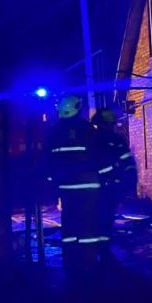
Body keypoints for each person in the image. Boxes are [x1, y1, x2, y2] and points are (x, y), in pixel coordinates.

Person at [45, 94, 106, 273]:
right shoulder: (88, 129)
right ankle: (89, 261)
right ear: (78, 108)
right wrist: (106, 179)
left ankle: (70, 261)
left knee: (69, 222)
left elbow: (48, 161)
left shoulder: (54, 132)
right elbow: (100, 156)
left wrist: (52, 185)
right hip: (89, 185)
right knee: (89, 222)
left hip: (66, 187)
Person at [91, 107, 137, 264]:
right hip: (103, 188)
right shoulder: (100, 141)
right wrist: (126, 182)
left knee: (104, 219)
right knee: (103, 219)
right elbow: (126, 164)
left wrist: (127, 183)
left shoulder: (98, 140)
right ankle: (103, 253)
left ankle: (102, 252)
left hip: (105, 188)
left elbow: (127, 163)